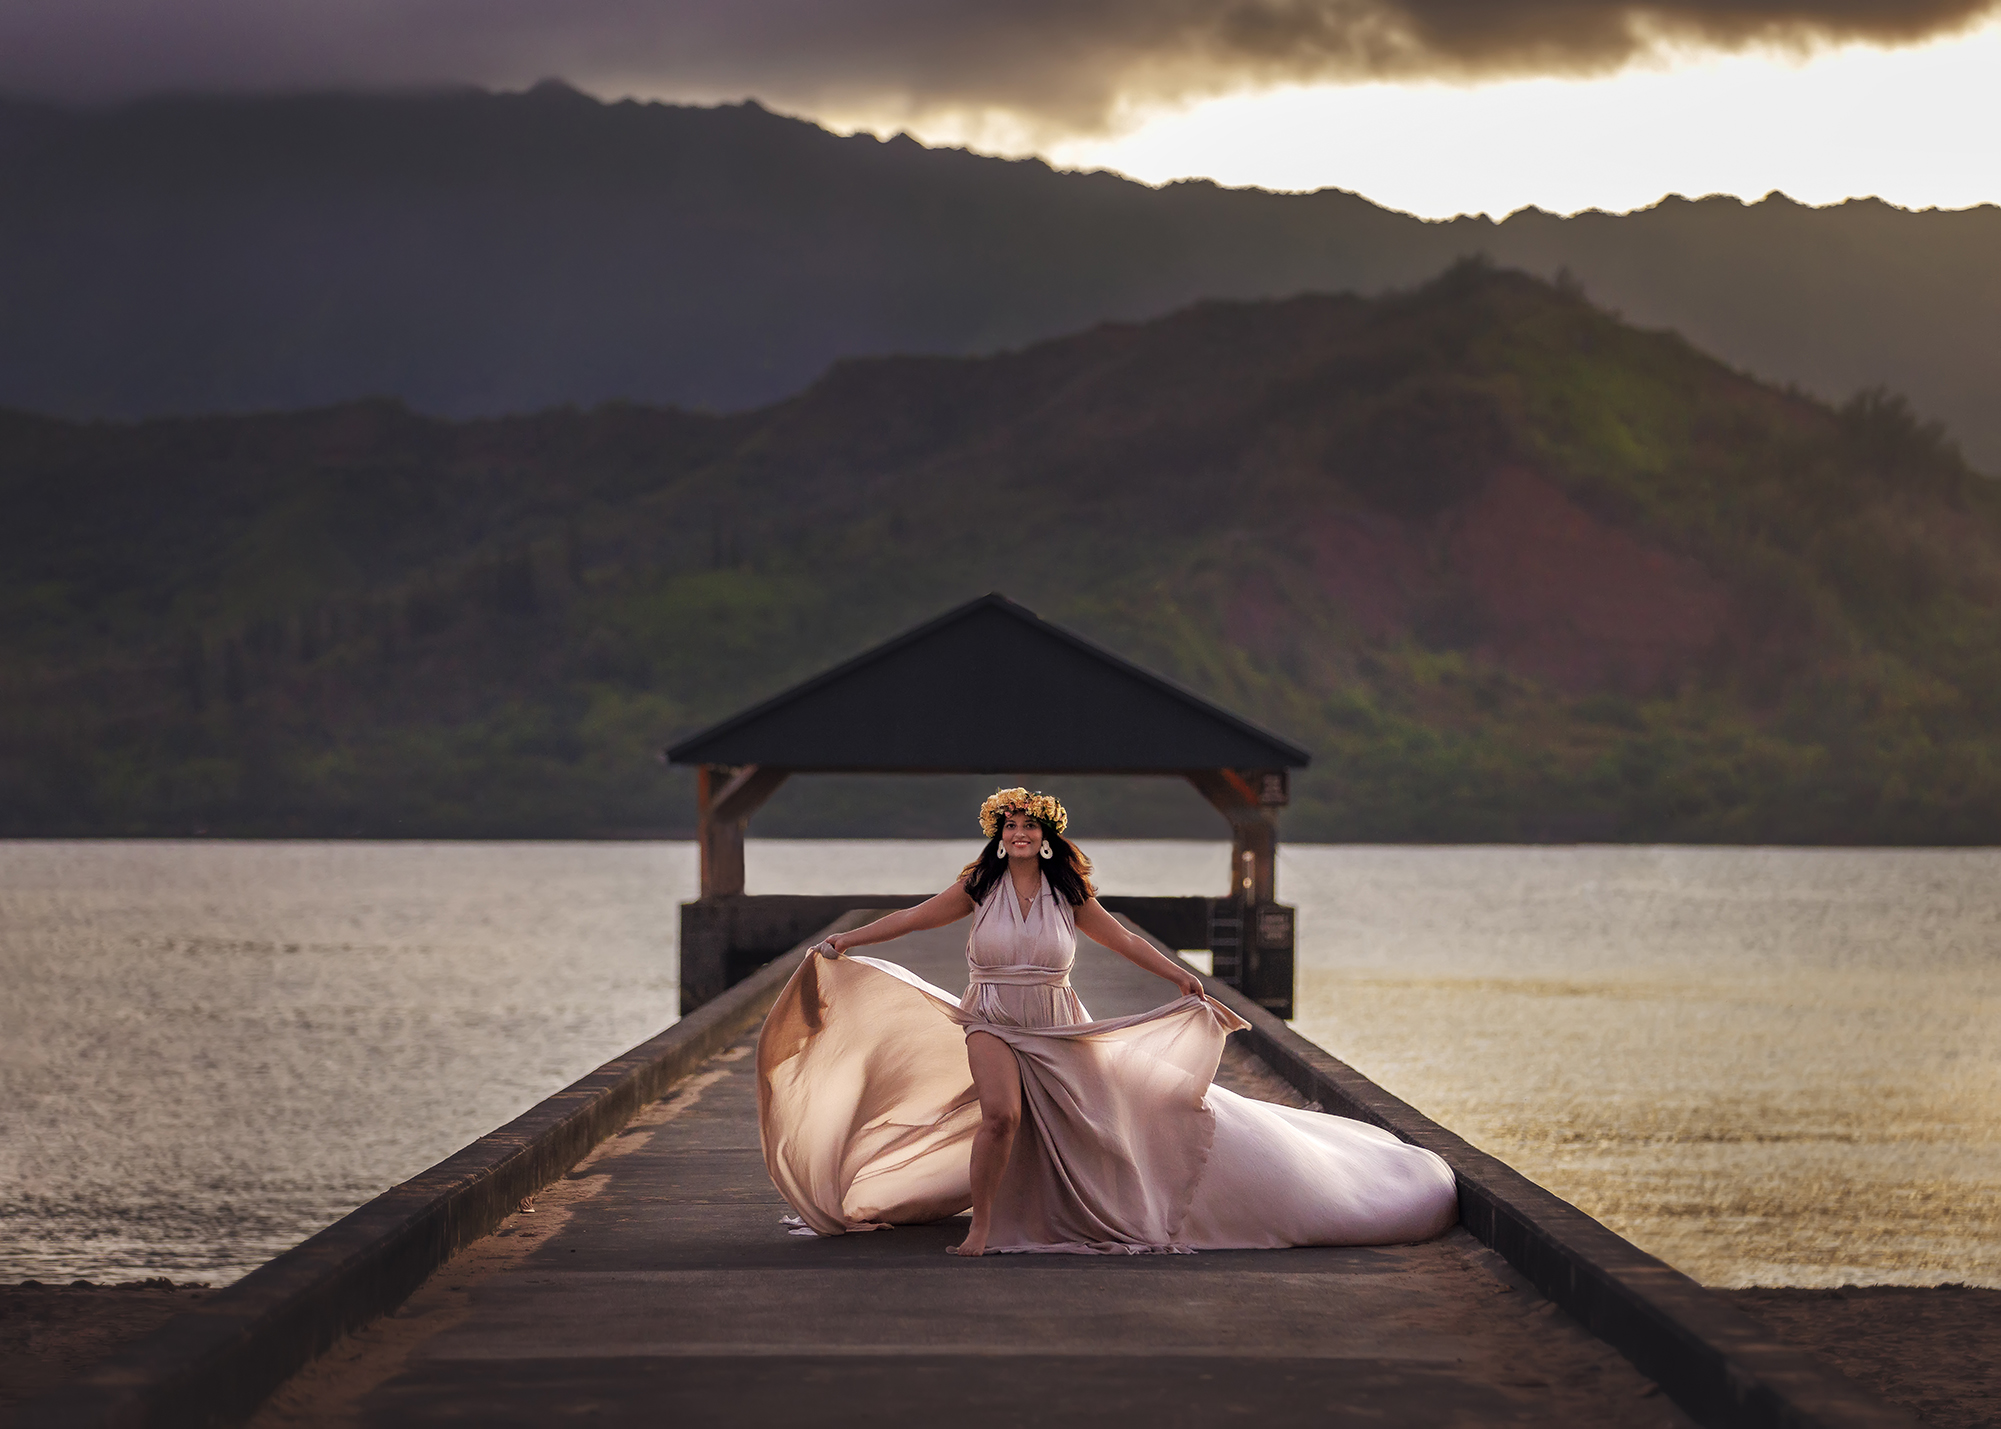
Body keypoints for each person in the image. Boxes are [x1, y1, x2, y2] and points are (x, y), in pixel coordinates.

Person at [756, 787, 1458, 1256]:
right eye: (1010, 824)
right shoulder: (977, 885)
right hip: (991, 1017)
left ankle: (1109, 1204)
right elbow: (914, 916)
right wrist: (850, 941)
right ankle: (986, 1229)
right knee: (1000, 1114)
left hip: (1059, 1021)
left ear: (1046, 835)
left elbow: (1121, 941)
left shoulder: (1069, 894)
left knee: (1103, 1124)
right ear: (998, 834)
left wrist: (1180, 975)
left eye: (1030, 825)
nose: (1020, 833)